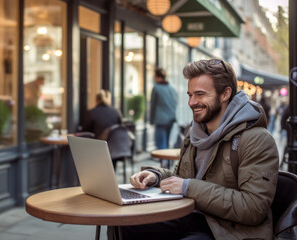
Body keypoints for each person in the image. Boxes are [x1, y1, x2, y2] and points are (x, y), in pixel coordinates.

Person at [110, 59, 279, 240]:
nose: (192, 102)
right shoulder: (195, 133)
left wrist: (189, 187)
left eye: (200, 94)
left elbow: (253, 208)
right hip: (189, 216)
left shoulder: (257, 139)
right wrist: (156, 176)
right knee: (122, 225)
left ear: (225, 94)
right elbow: (182, 179)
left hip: (228, 230)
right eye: (190, 95)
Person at [150, 68, 178, 167]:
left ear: (157, 77)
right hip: (171, 118)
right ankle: (167, 162)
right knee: (166, 141)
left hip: (160, 119)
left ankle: (164, 163)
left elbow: (153, 105)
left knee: (161, 142)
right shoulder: (171, 88)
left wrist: (151, 120)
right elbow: (175, 102)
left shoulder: (156, 88)